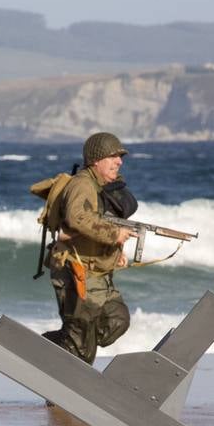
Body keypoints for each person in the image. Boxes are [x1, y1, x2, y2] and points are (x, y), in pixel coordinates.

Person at [40, 132, 137, 365]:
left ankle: (60, 345)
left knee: (117, 320)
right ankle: (52, 369)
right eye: (114, 156)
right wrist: (115, 234)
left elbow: (96, 225)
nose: (119, 161)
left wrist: (115, 253)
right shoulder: (82, 184)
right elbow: (78, 218)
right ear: (97, 160)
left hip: (100, 276)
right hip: (77, 272)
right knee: (81, 346)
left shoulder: (102, 187)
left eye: (120, 156)